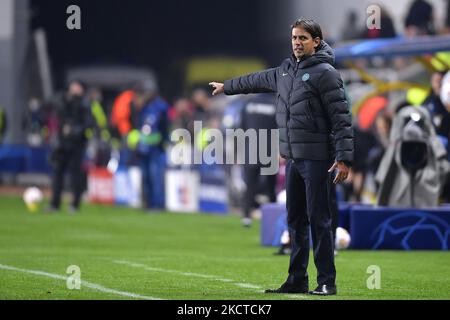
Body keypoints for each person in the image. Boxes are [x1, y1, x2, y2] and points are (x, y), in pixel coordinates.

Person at [210, 18, 353, 296]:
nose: (297, 43)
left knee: (320, 220)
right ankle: (297, 279)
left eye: (303, 38)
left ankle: (326, 282)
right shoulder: (285, 71)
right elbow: (255, 79)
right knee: (295, 221)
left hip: (317, 160)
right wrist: (227, 86)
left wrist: (344, 158)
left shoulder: (327, 73)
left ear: (316, 42)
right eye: (294, 38)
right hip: (293, 159)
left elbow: (342, 119)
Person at [48, 80, 94, 212]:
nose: (74, 89)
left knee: (75, 175)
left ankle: (75, 204)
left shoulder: (84, 104)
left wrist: (74, 130)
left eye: (77, 86)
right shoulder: (62, 100)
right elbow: (56, 116)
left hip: (77, 144)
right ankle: (55, 203)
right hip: (62, 144)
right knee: (57, 173)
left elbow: (88, 123)